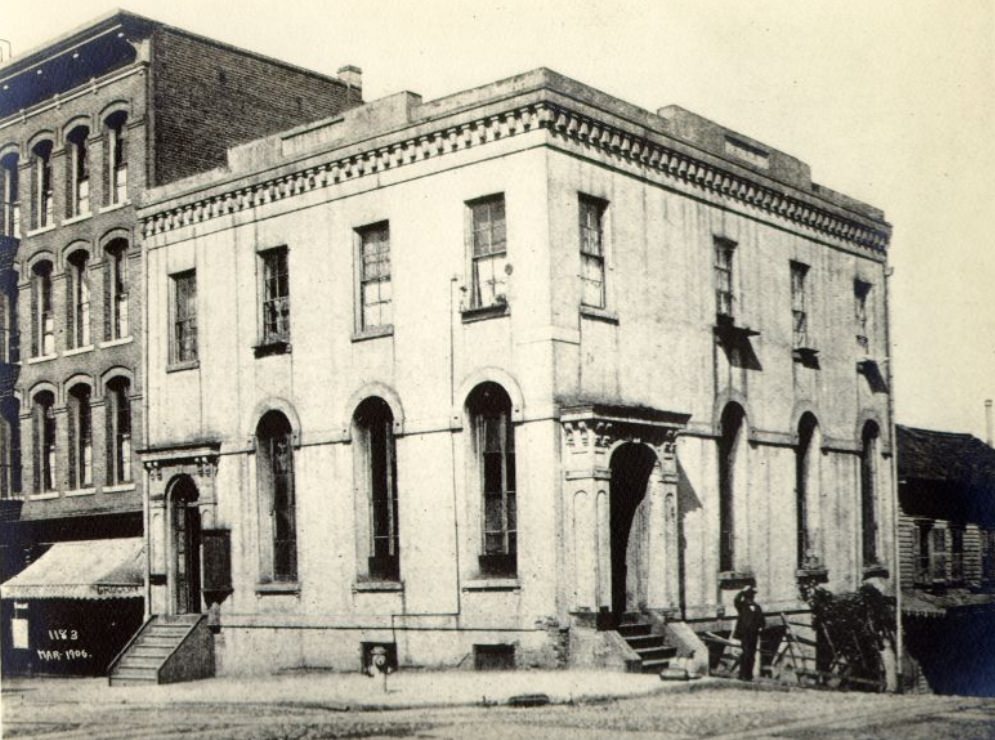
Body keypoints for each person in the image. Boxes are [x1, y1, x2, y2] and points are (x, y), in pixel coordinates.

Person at [733, 584, 764, 681]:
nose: (750, 598)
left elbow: (762, 620)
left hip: (753, 635)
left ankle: (749, 675)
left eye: (751, 596)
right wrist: (742, 591)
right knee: (745, 654)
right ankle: (742, 674)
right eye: (748, 596)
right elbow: (736, 600)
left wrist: (761, 627)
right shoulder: (742, 606)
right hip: (744, 635)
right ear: (745, 597)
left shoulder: (757, 607)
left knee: (752, 655)